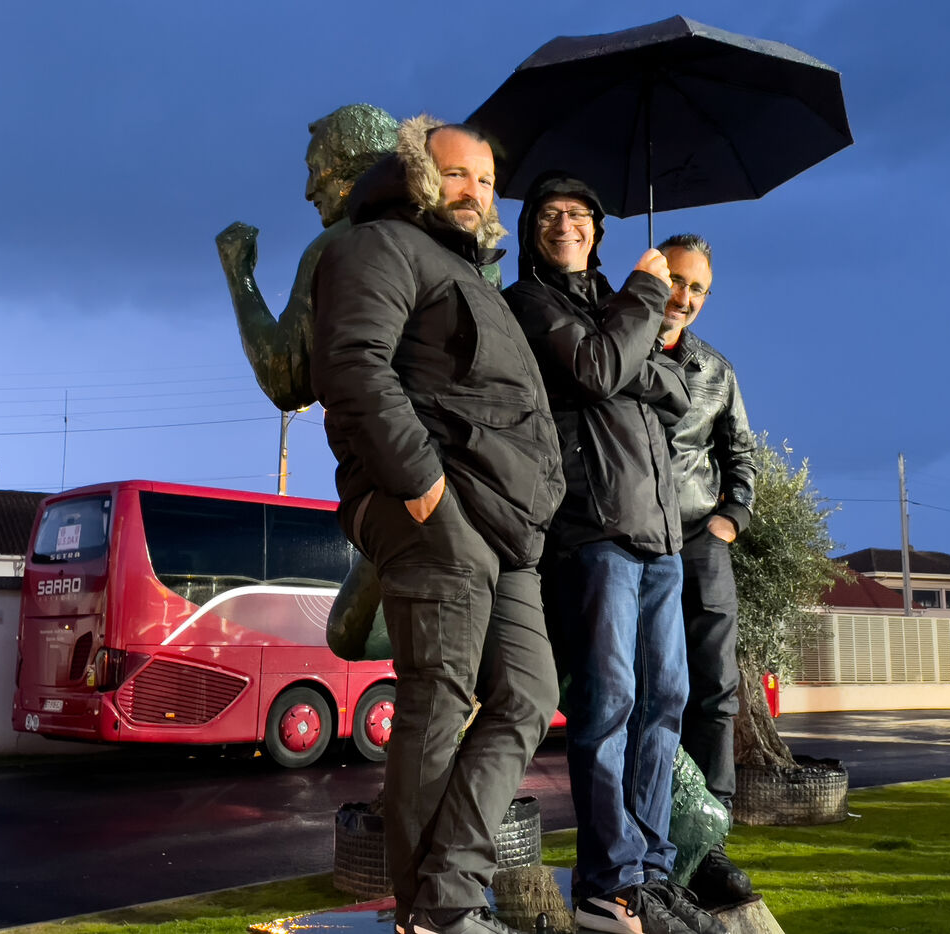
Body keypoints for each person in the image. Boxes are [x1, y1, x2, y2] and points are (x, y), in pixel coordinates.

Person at [310, 117, 564, 934]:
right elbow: (352, 367)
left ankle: (451, 883)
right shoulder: (377, 244)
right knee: (438, 698)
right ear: (415, 172)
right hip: (435, 511)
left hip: (506, 527)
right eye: (456, 173)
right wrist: (421, 487)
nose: (474, 192)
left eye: (486, 181)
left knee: (529, 694)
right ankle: (437, 913)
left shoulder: (470, 274)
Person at [503, 173, 721, 934]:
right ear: (531, 228)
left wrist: (625, 337)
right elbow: (598, 370)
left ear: (597, 228)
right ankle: (607, 882)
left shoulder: (611, 303)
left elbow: (675, 389)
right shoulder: (528, 304)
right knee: (610, 706)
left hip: (660, 534)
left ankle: (651, 871)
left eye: (578, 214)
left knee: (666, 704)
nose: (564, 224)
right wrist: (641, 296)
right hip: (593, 530)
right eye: (549, 214)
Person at [657, 234, 758, 908]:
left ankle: (710, 845)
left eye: (697, 288)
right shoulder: (614, 350)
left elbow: (740, 455)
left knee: (716, 689)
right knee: (645, 692)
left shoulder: (716, 372)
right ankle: (647, 841)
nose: (684, 297)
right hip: (630, 542)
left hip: (699, 542)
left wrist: (731, 519)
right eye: (676, 280)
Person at [215, 103, 399, 411]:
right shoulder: (457, 241)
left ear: (350, 162)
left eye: (315, 170)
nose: (309, 191)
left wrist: (239, 273)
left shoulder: (339, 245)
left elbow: (285, 379)